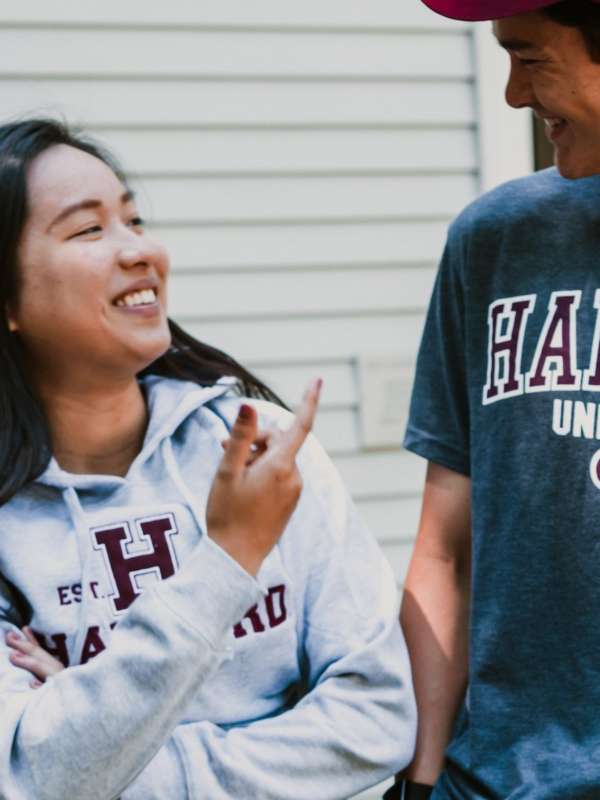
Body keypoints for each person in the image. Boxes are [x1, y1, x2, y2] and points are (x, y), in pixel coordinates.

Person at [0, 118, 416, 800]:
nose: (140, 249)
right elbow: (27, 774)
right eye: (89, 230)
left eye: (134, 219)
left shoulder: (261, 449)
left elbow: (378, 716)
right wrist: (228, 559)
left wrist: (116, 760)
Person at [387, 2, 600, 799]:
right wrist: (422, 777)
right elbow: (445, 546)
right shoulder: (493, 240)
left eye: (532, 58)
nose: (513, 94)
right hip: (493, 779)